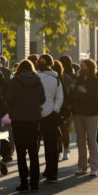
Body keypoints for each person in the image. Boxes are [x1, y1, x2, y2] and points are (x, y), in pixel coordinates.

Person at [6, 60, 45, 192]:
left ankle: (24, 182)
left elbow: (8, 99)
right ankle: (35, 183)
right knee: (34, 152)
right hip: (33, 119)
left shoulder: (13, 82)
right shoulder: (38, 81)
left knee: (21, 153)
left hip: (18, 119)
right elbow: (43, 99)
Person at [69, 59, 98, 176]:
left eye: (84, 66)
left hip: (92, 114)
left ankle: (94, 167)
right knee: (80, 141)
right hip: (78, 113)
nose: (82, 68)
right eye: (81, 66)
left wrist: (86, 91)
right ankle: (82, 166)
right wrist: (73, 90)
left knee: (91, 140)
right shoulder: (78, 79)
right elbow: (71, 97)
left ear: (90, 67)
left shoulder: (95, 80)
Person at [37, 54, 64, 183]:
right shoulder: (56, 77)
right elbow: (60, 97)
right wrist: (55, 109)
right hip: (51, 114)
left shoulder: (35, 76)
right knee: (51, 146)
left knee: (34, 147)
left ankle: (37, 173)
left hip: (36, 114)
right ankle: (52, 173)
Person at [57, 56, 76, 161]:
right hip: (68, 107)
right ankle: (65, 151)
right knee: (65, 130)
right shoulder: (72, 76)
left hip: (59, 106)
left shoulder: (60, 76)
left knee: (58, 130)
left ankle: (59, 150)